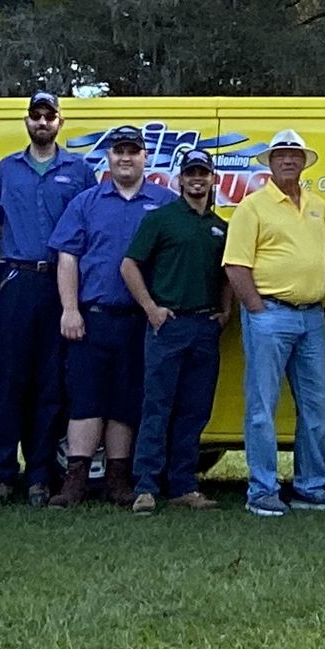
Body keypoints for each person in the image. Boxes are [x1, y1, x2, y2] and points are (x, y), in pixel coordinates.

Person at [48, 123, 175, 507]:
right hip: (92, 316)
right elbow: (67, 257)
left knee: (125, 402)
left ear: (144, 157)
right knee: (86, 400)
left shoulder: (165, 202)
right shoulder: (86, 201)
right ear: (108, 157)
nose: (125, 157)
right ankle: (75, 481)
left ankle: (119, 481)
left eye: (132, 151)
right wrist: (70, 309)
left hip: (140, 320)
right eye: (118, 151)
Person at [221, 128, 325, 516]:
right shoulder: (252, 206)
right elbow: (235, 265)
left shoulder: (319, 205)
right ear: (270, 163)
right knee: (262, 407)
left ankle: (310, 486)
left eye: (295, 154)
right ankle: (262, 490)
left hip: (310, 319)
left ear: (304, 162)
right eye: (280, 155)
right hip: (269, 314)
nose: (288, 160)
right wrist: (257, 309)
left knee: (317, 405)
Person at [0, 91, 93, 507]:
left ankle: (40, 476)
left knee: (51, 386)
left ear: (60, 122)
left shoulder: (79, 170)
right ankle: (1, 475)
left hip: (62, 285)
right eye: (36, 115)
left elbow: (90, 226)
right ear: (27, 121)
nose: (42, 121)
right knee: (9, 382)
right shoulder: (7, 169)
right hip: (17, 280)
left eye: (49, 115)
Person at [121, 146, 233, 514]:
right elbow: (129, 265)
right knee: (157, 406)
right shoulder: (162, 218)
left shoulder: (220, 227)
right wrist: (151, 308)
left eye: (203, 174)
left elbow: (229, 271)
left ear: (211, 179)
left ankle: (183, 485)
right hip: (168, 327)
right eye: (191, 174)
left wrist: (226, 309)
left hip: (204, 328)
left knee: (194, 411)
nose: (197, 180)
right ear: (180, 179)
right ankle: (146, 487)